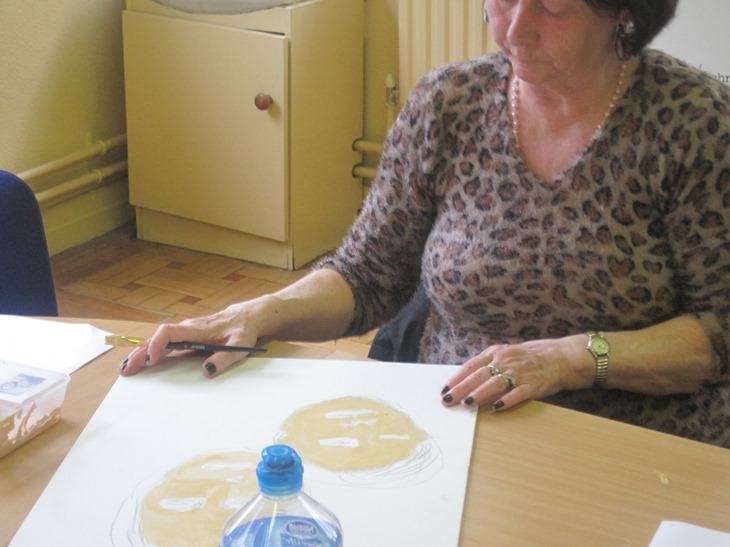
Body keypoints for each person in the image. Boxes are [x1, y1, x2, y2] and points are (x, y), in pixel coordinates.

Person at [122, 0, 730, 448]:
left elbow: (719, 329)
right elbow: (367, 272)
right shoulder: (450, 102)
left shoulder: (695, 124)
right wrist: (258, 313)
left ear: (622, 12)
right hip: (456, 427)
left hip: (638, 438)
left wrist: (571, 358)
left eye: (553, 8)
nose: (515, 29)